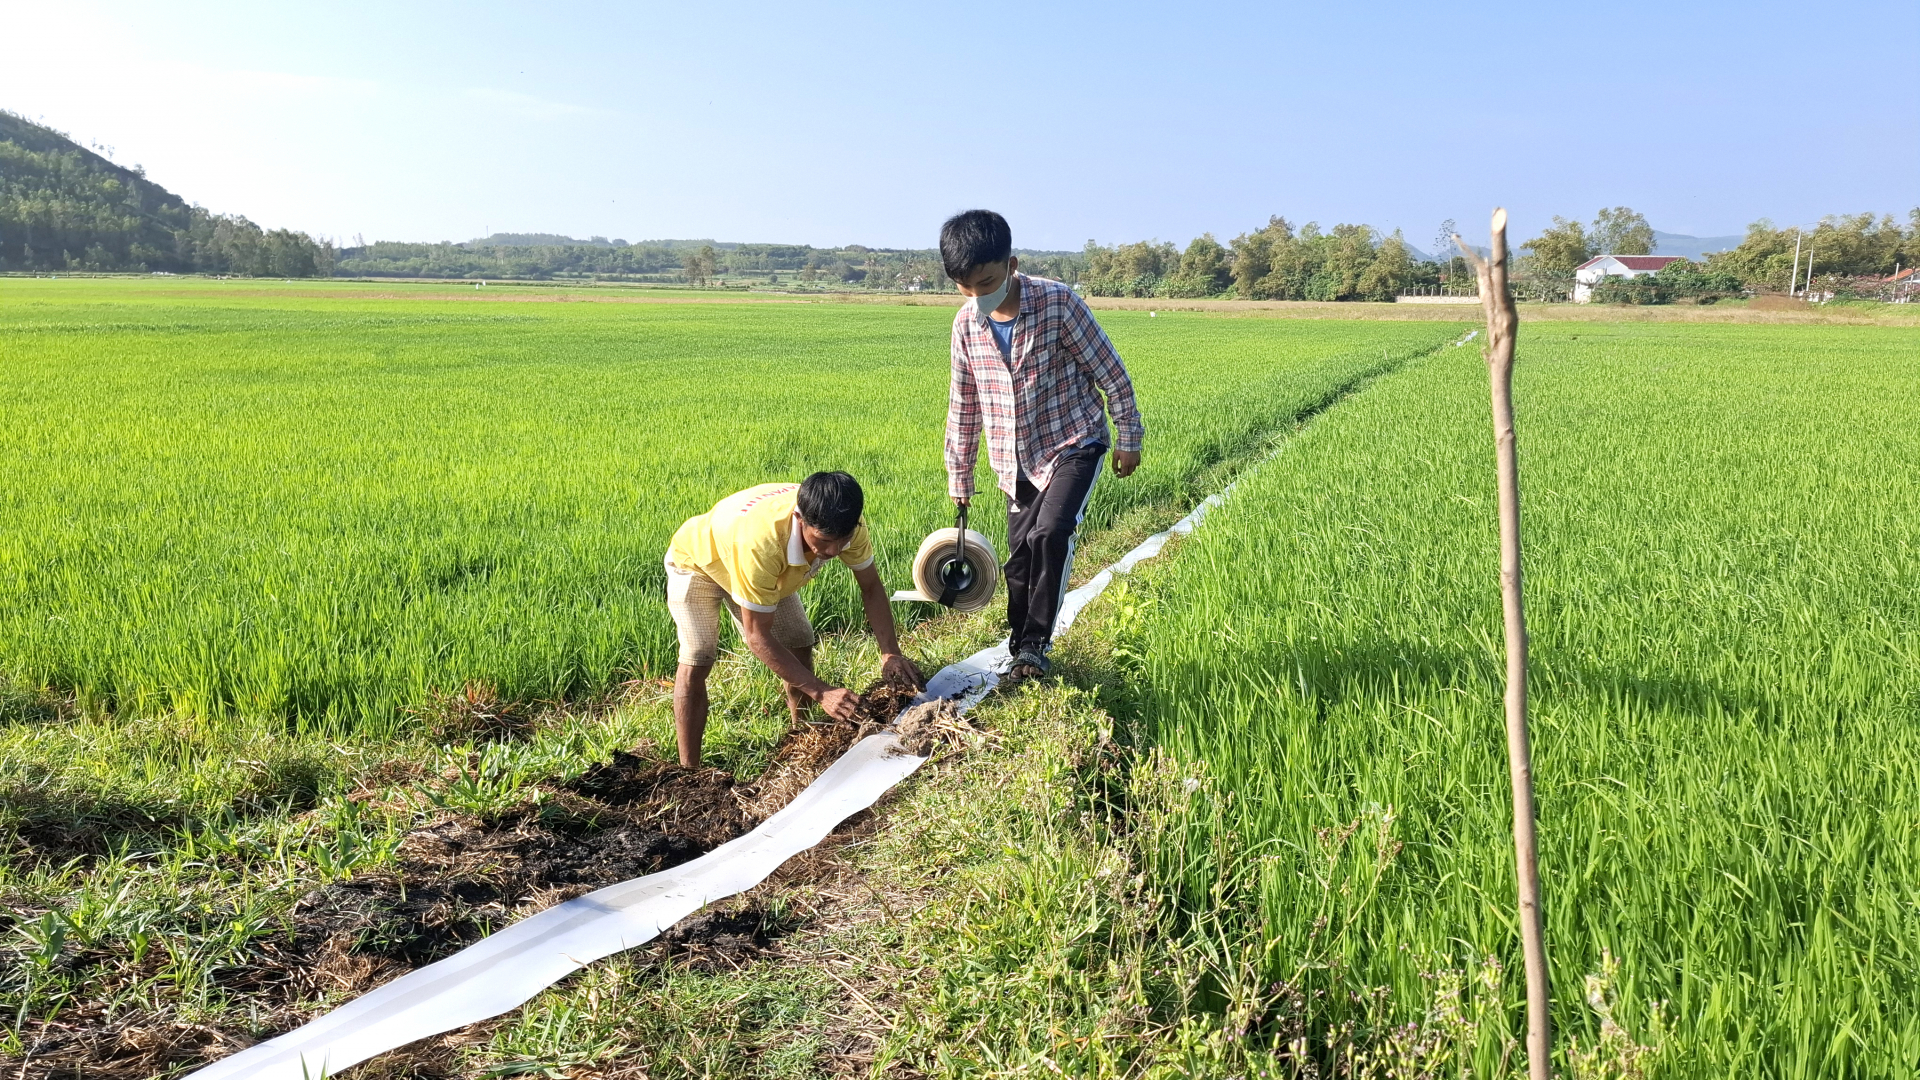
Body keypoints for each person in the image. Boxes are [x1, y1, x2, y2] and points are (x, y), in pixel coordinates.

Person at [940, 210, 1144, 684]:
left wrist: (1128, 437)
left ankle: (1034, 648)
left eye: (986, 283)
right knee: (1019, 559)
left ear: (1011, 265)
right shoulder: (966, 325)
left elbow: (1111, 372)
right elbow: (964, 404)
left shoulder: (1057, 303)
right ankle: (1019, 645)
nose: (977, 296)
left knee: (1050, 534)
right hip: (1015, 460)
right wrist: (960, 476)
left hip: (1073, 440)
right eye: (965, 287)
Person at [665, 472, 924, 767]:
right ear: (800, 518)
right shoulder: (762, 543)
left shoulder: (846, 524)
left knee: (799, 640)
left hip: (764, 570)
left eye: (843, 541)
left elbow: (871, 587)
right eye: (824, 540)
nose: (833, 552)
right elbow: (757, 636)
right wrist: (822, 691)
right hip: (700, 562)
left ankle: (802, 736)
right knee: (698, 656)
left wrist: (890, 652)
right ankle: (689, 770)